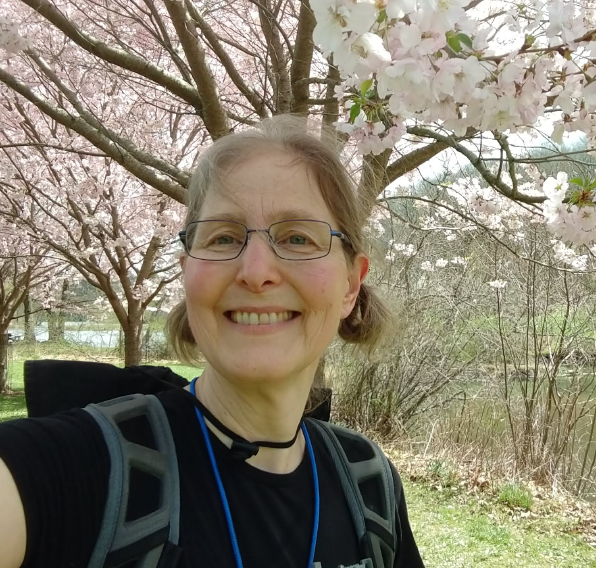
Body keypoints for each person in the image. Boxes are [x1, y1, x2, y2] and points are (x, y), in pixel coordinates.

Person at [0, 115, 425, 568]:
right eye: (223, 238)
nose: (256, 271)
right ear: (187, 273)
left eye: (298, 237)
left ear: (349, 285)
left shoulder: (369, 487)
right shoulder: (81, 468)